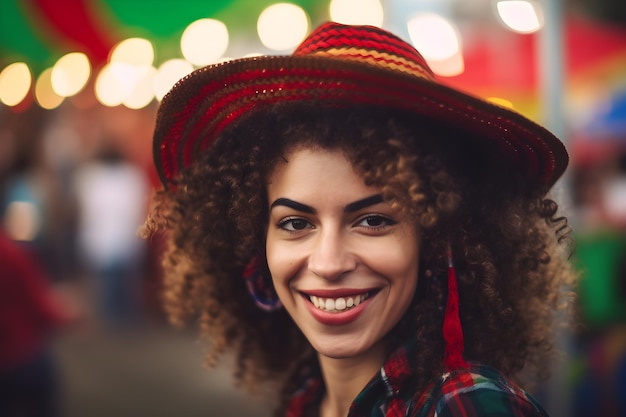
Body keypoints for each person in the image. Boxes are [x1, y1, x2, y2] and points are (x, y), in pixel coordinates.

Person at [143, 22, 577, 417]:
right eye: (296, 224)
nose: (329, 264)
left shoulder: (468, 405)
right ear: (256, 242)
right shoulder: (306, 398)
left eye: (372, 221)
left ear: (440, 235)